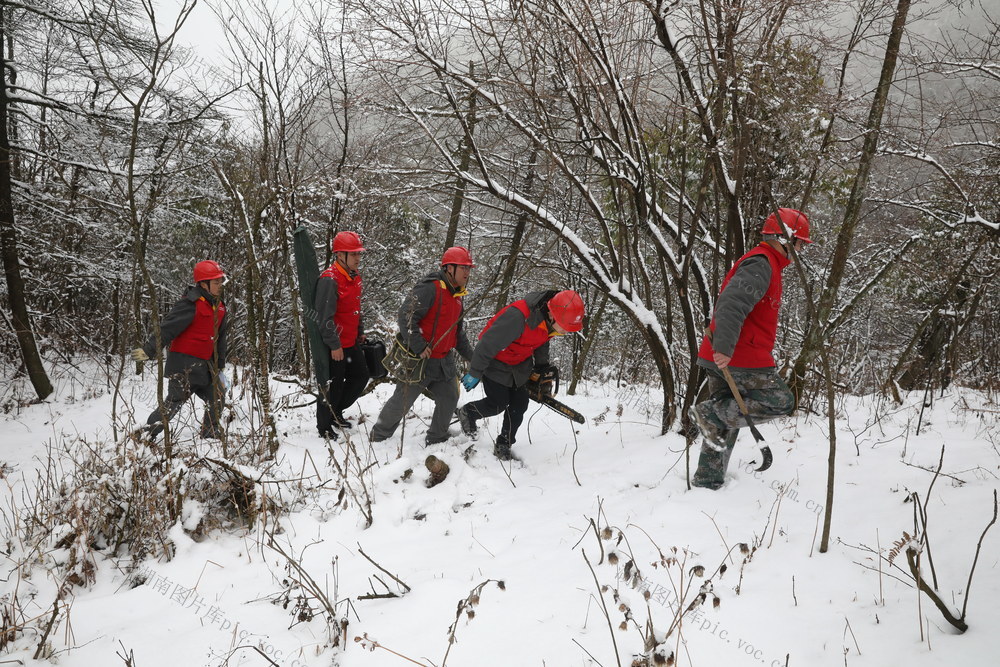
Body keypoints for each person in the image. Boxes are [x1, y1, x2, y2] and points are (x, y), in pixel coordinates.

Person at [688, 208, 811, 490]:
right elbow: (732, 303)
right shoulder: (761, 264)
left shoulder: (765, 263)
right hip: (740, 357)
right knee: (780, 401)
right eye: (800, 242)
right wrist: (725, 348)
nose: (802, 249)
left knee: (726, 418)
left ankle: (707, 482)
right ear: (785, 238)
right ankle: (704, 413)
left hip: (726, 354)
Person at [456, 289, 585, 460]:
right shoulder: (518, 317)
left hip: (520, 366)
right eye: (566, 327)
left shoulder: (549, 322)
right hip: (496, 362)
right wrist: (475, 371)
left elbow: (541, 343)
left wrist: (542, 368)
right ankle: (468, 412)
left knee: (520, 404)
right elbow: (487, 343)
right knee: (498, 403)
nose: (567, 332)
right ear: (553, 314)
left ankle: (504, 442)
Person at [371, 247, 475, 446]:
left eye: (469, 268)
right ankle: (379, 435)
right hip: (420, 360)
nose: (467, 273)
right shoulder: (430, 288)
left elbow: (457, 333)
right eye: (463, 268)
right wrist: (418, 345)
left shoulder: (458, 296)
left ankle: (437, 437)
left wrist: (473, 357)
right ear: (449, 268)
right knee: (403, 400)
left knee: (450, 397)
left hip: (444, 361)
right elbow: (406, 315)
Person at [132, 260, 228, 440]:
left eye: (221, 282)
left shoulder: (220, 306)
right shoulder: (190, 304)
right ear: (203, 283)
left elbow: (221, 339)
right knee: (172, 405)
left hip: (205, 368)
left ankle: (209, 435)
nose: (220, 286)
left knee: (218, 397)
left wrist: (220, 366)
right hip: (183, 367)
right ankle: (146, 436)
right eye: (216, 282)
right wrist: (148, 350)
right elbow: (167, 329)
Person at [315, 231, 370, 438]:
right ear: (339, 255)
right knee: (332, 387)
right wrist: (334, 345)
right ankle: (324, 426)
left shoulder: (354, 277)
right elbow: (324, 317)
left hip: (351, 340)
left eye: (358, 254)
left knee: (361, 376)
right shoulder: (330, 279)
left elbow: (356, 309)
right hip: (335, 344)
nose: (358, 258)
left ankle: (336, 411)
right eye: (353, 254)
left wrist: (360, 331)